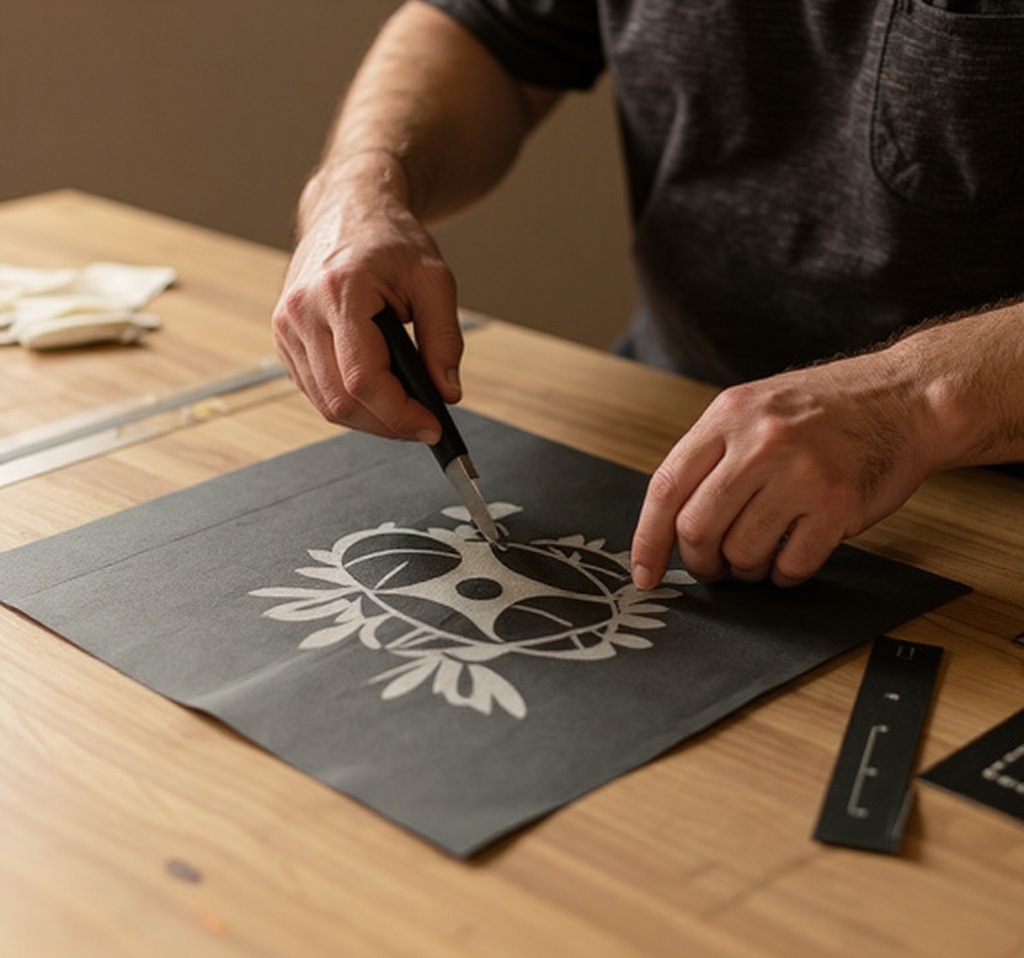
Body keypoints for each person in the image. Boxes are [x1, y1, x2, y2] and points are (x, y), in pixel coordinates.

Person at [273, 0, 1024, 591]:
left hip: (989, 514)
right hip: (664, 422)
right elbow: (490, 31)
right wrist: (358, 187)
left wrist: (916, 403)